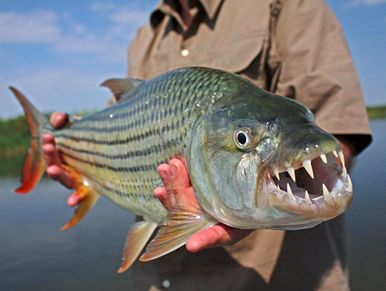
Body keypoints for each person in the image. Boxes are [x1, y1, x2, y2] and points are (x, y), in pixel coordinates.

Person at [43, 0, 372, 290]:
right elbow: (120, 139)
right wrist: (80, 162)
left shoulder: (285, 4)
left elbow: (336, 131)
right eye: (242, 139)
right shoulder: (145, 37)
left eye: (242, 138)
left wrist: (248, 208)